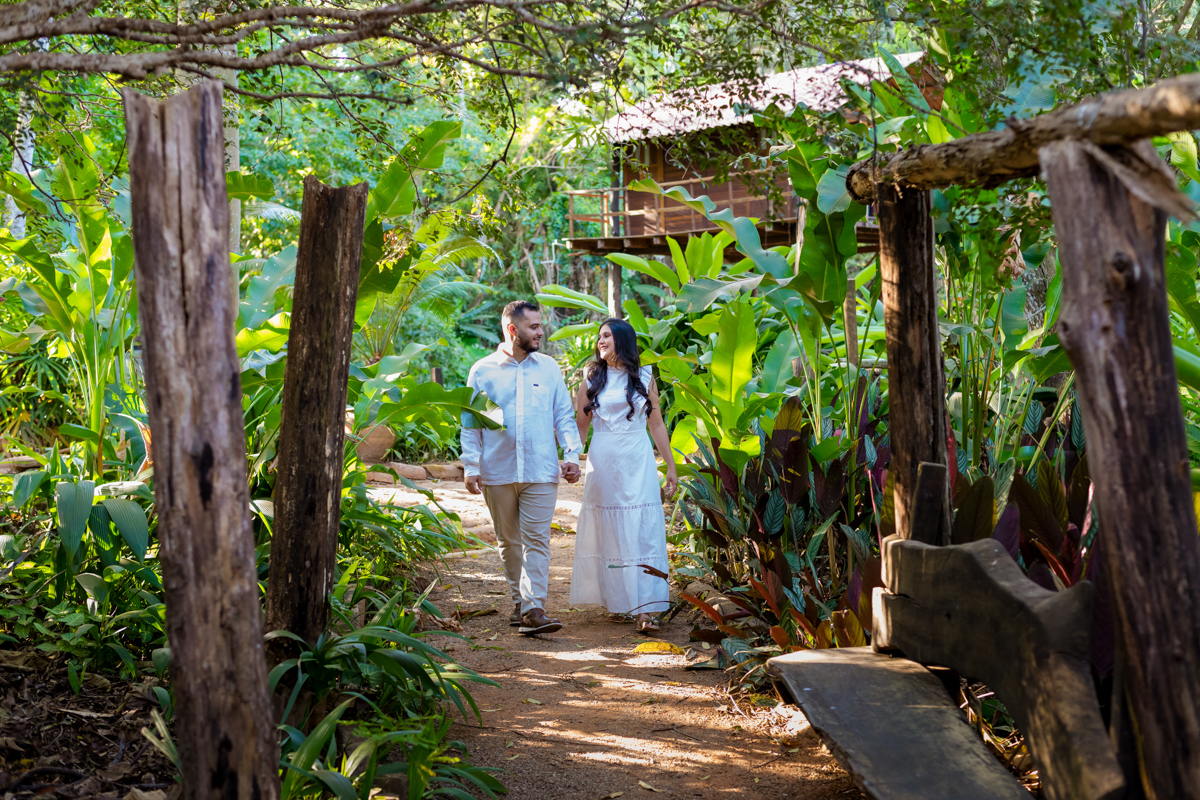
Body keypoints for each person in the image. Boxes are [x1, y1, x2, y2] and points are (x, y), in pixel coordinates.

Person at [461, 300, 583, 636]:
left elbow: (563, 415)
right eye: (534, 327)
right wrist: (471, 465)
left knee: (537, 540)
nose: (541, 332)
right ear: (513, 330)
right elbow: (470, 423)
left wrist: (572, 454)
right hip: (497, 470)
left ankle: (533, 609)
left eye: (540, 326)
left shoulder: (548, 368)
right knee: (509, 542)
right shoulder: (482, 371)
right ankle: (520, 602)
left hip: (541, 469)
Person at [569, 318, 678, 634]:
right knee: (611, 530)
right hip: (604, 464)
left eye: (607, 336)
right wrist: (570, 460)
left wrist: (670, 466)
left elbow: (657, 424)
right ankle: (618, 598)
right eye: (599, 336)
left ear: (623, 340)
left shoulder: (645, 376)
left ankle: (645, 610)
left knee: (642, 531)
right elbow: (581, 426)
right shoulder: (590, 378)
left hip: (638, 461)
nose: (600, 341)